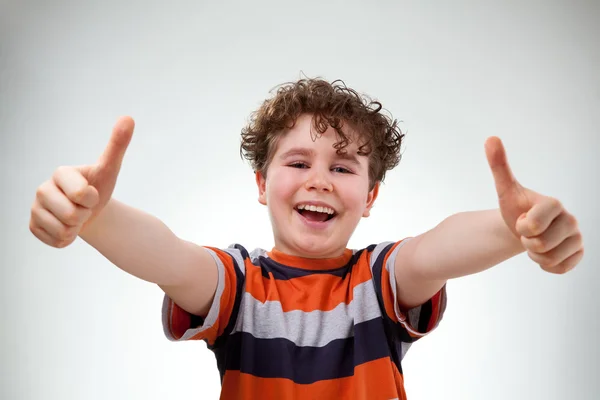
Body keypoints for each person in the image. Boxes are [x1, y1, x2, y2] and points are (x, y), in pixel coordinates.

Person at [29, 78, 584, 399]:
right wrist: (97, 219)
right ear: (262, 183)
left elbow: (437, 247)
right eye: (298, 162)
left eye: (343, 169)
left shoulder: (378, 280)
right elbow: (170, 258)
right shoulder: (238, 285)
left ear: (370, 199)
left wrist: (511, 229)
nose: (320, 179)